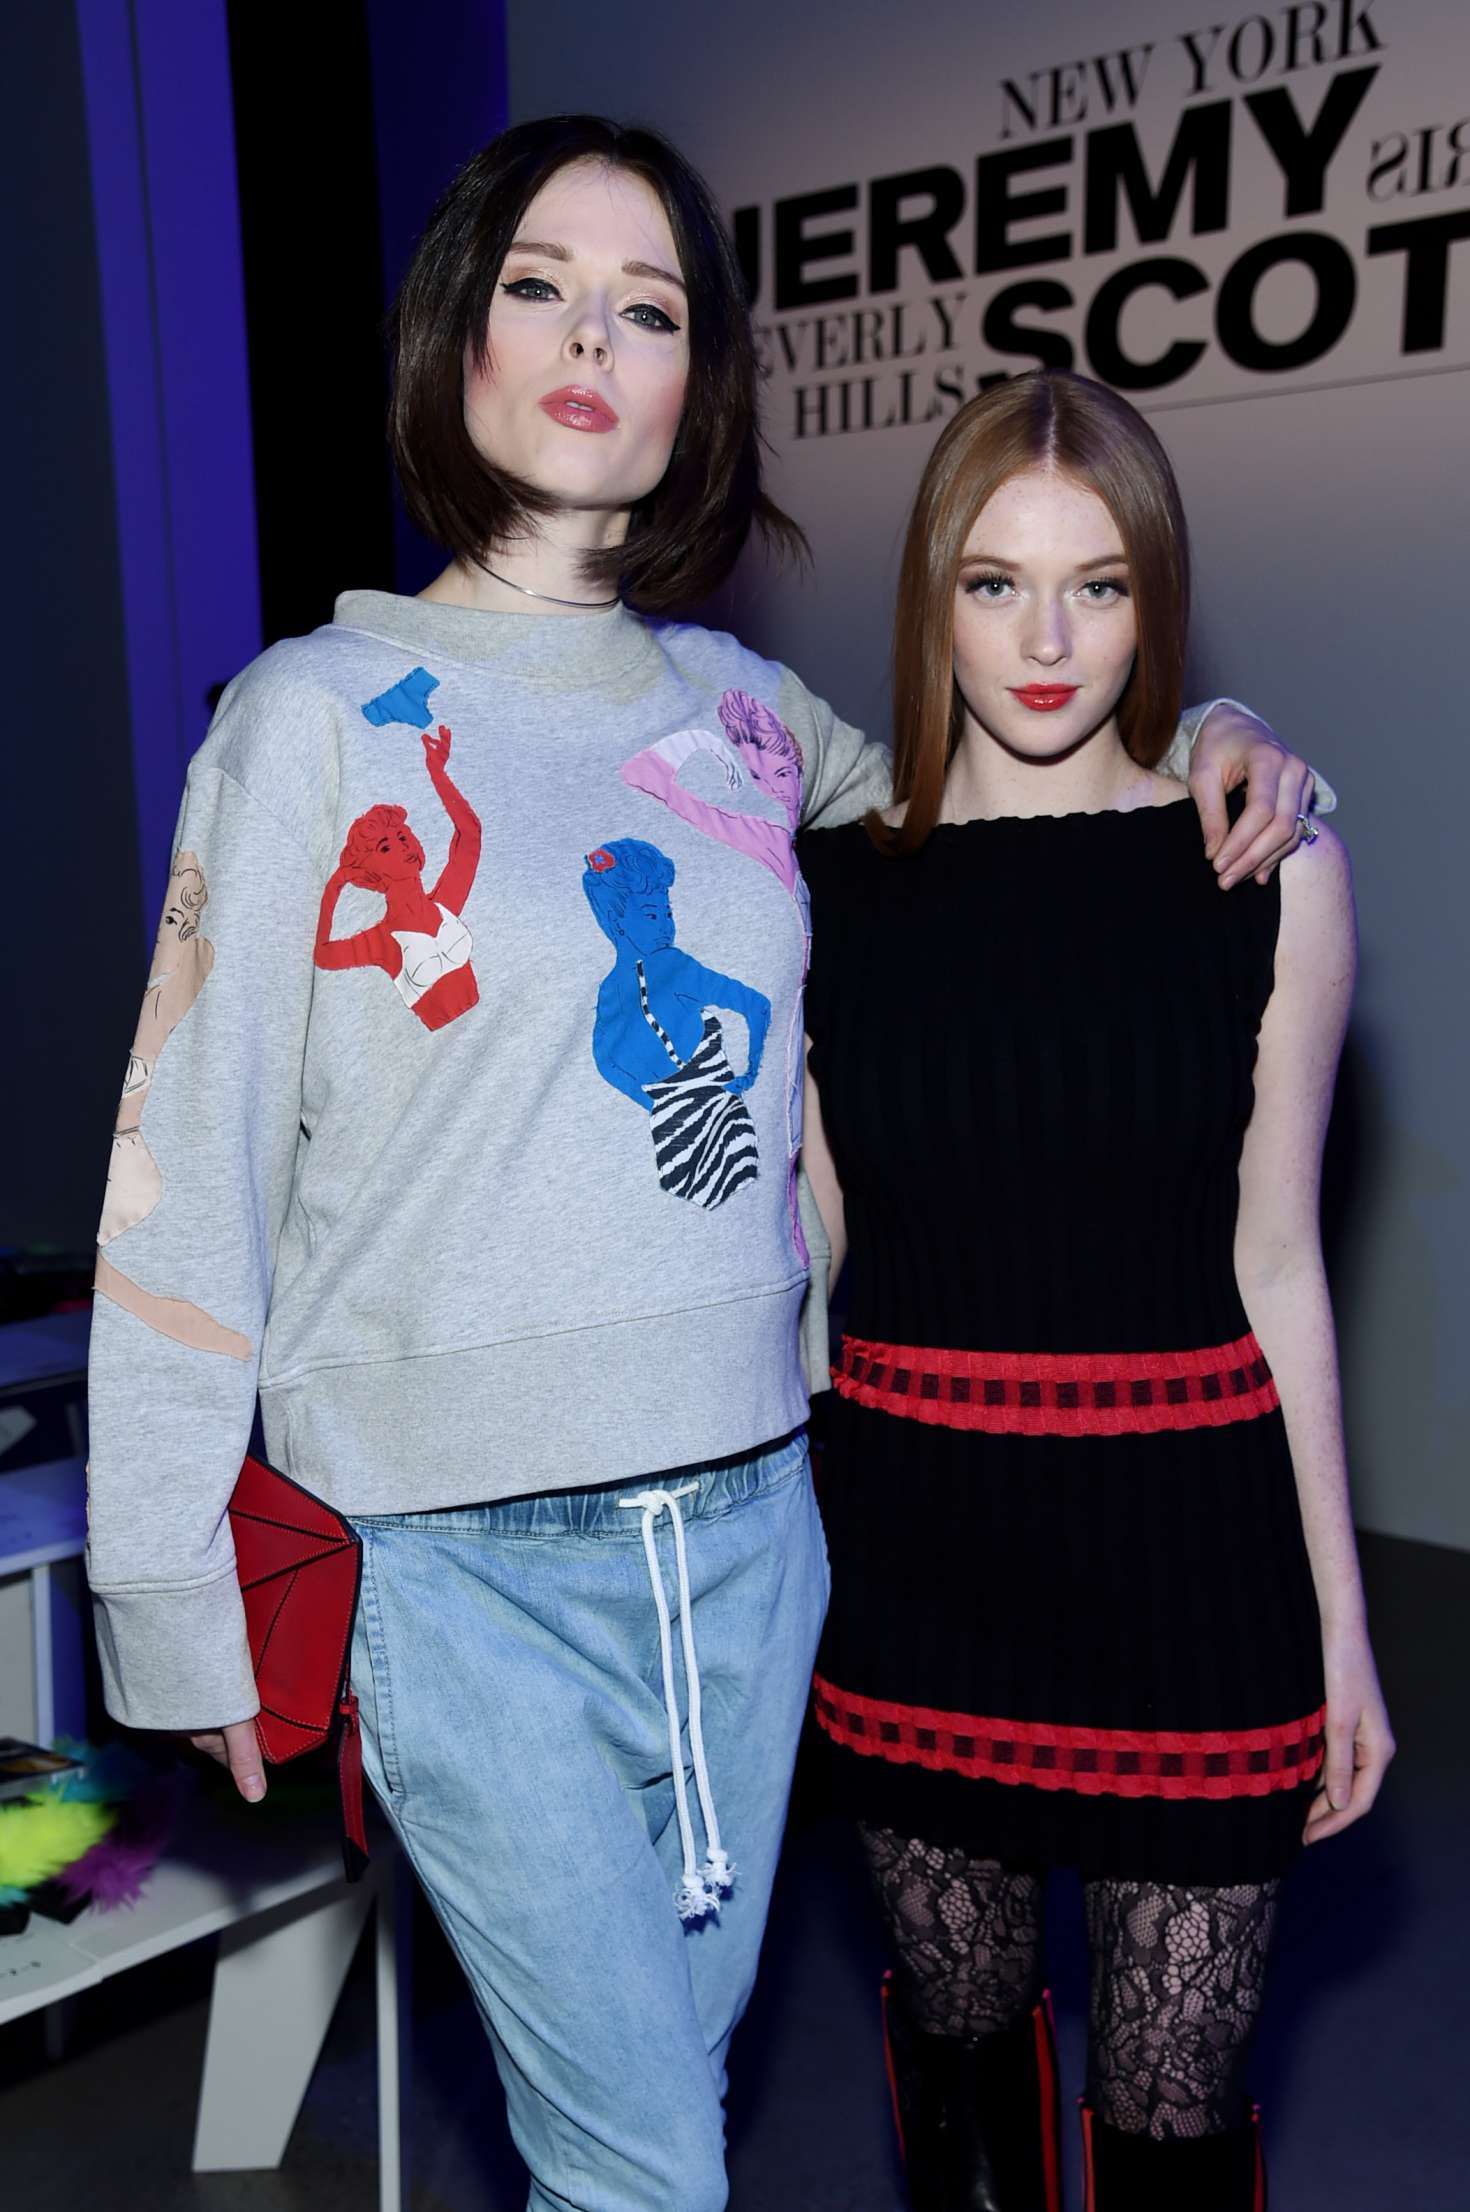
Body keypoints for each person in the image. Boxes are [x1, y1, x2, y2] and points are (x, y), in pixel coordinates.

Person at [84, 116, 1320, 2212]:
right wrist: (165, 1579)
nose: (592, 339)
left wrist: (1233, 732)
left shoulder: (744, 714)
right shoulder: (309, 718)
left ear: (694, 388)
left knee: (675, 2104)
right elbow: (178, 1164)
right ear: (457, 344)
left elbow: (1001, 803)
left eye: (645, 308)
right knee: (644, 2165)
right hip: (458, 1564)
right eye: (540, 289)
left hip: (762, 1538)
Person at [797, 369, 1392, 2212]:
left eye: (1099, 585)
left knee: (1171, 2121)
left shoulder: (1267, 869)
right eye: (995, 584)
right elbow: (809, 1260)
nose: (1046, 642)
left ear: (1156, 599)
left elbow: (1278, 1262)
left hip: (1195, 1588)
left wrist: (1342, 1628)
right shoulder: (823, 896)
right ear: (931, 597)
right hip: (913, 1584)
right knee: (961, 2090)